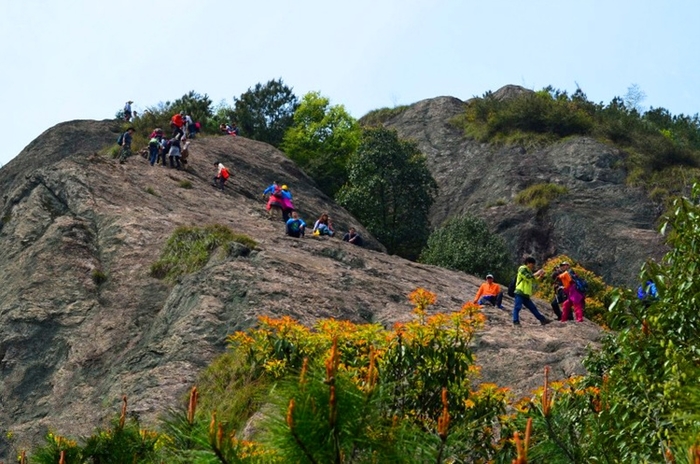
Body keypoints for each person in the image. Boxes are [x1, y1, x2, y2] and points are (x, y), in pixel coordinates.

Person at [512, 257, 551, 326]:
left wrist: (540, 276)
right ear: (528, 263)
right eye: (532, 264)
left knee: (533, 308)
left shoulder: (529, 271)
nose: (533, 266)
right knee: (517, 307)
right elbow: (527, 277)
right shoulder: (522, 269)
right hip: (520, 292)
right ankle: (515, 321)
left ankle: (542, 320)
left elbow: (534, 280)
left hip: (526, 294)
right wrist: (537, 273)